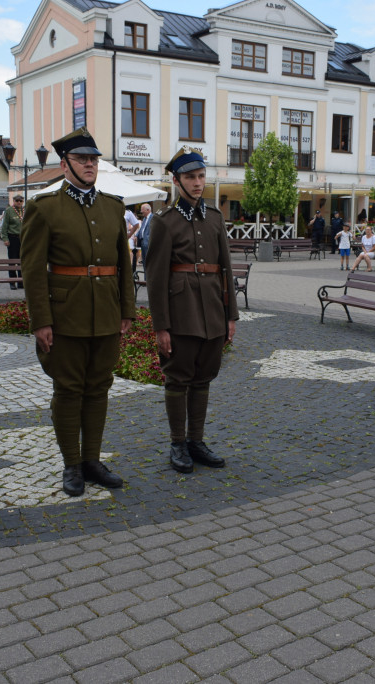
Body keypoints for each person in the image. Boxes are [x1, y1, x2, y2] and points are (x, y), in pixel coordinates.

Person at [20, 128, 135, 497]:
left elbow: (123, 264)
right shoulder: (44, 207)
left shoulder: (113, 207)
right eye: (83, 159)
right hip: (65, 313)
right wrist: (41, 320)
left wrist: (127, 312)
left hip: (105, 311)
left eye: (94, 159)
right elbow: (34, 269)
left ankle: (91, 460)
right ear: (65, 163)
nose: (90, 164)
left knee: (99, 387)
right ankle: (71, 464)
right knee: (68, 390)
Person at [146, 147, 239, 474]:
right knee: (178, 379)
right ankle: (177, 443)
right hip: (181, 312)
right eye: (190, 177)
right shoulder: (164, 222)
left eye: (200, 176)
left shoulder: (214, 217)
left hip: (212, 311)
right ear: (176, 180)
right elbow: (156, 278)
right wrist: (161, 326)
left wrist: (231, 315)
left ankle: (196, 441)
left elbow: (226, 270)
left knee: (203, 379)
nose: (198, 183)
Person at [0, 195, 25, 290]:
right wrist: (5, 238)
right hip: (13, 238)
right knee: (12, 261)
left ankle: (21, 282)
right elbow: (4, 226)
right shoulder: (9, 211)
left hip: (23, 239)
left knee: (22, 261)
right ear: (14, 201)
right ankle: (12, 282)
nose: (19, 202)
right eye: (17, 200)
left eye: (21, 201)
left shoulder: (24, 210)